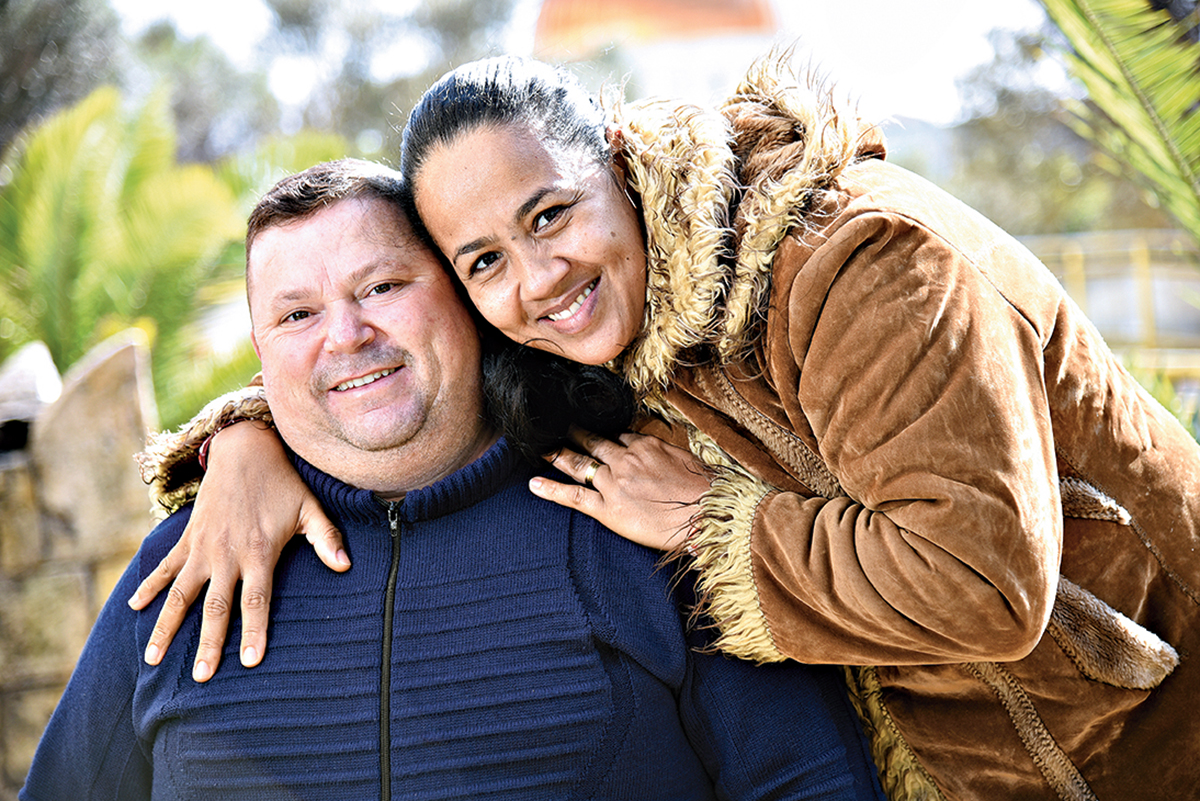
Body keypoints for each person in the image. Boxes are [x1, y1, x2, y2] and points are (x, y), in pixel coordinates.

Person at [132, 55, 1200, 800]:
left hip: (1157, 742)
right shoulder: (598, 332)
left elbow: (982, 581)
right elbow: (388, 360)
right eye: (485, 261)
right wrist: (246, 444)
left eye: (550, 214)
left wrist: (714, 527)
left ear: (617, 160)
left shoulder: (866, 264)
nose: (536, 278)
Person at [20, 159, 887, 801]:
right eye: (296, 314)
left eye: (383, 285)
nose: (346, 335)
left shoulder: (640, 518)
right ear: (260, 356)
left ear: (467, 298)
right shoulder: (188, 565)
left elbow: (815, 786)